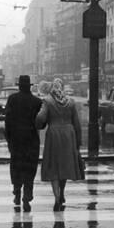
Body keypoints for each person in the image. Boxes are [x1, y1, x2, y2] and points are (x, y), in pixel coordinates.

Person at [36, 78, 82, 211]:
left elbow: (40, 118)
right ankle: (62, 193)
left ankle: (56, 198)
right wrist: (78, 143)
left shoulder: (47, 101)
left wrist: (38, 124)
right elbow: (77, 124)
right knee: (65, 165)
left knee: (54, 168)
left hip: (54, 135)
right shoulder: (70, 102)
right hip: (69, 135)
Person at [5, 75, 42, 212]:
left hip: (16, 139)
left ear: (19, 86)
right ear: (30, 86)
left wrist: (8, 139)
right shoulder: (37, 102)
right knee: (30, 167)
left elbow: (7, 121)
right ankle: (27, 195)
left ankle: (17, 191)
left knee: (16, 166)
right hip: (31, 140)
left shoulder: (12, 100)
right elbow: (41, 123)